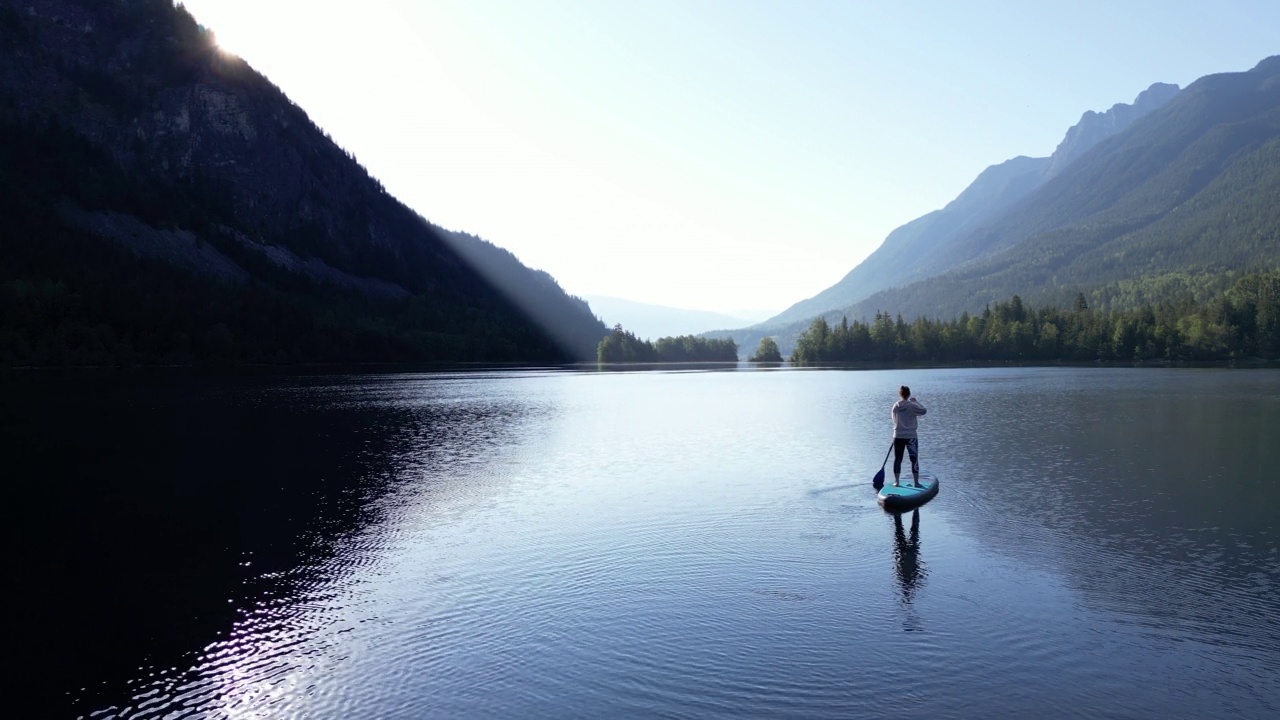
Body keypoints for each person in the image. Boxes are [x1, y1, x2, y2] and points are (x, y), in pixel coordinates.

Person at [891, 385, 927, 488]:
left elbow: (894, 420)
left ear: (900, 394)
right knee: (914, 459)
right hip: (911, 436)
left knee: (898, 459)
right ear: (909, 394)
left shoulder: (895, 406)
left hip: (898, 436)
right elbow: (924, 411)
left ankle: (897, 482)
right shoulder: (912, 406)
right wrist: (915, 401)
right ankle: (916, 483)